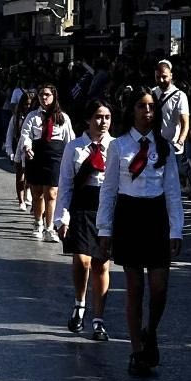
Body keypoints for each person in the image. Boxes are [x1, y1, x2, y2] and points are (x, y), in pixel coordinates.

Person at [97, 87, 183, 376]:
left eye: (151, 108)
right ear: (131, 110)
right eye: (142, 107)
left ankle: (150, 329)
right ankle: (137, 350)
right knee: (134, 288)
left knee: (159, 288)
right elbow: (108, 190)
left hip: (156, 217)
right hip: (129, 216)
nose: (147, 113)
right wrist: (105, 228)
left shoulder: (164, 146)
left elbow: (173, 190)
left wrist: (177, 230)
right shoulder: (119, 146)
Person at [54, 100, 113, 342]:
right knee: (82, 260)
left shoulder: (116, 147)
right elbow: (65, 183)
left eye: (107, 117)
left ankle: (98, 320)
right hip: (81, 206)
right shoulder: (75, 148)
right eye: (99, 117)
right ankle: (80, 304)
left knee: (101, 263)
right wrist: (61, 217)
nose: (103, 122)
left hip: (106, 206)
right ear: (88, 120)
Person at [20, 84, 75, 242]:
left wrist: (71, 159)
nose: (44, 98)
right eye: (41, 95)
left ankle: (50, 227)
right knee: (37, 193)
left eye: (47, 95)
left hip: (55, 156)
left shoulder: (63, 117)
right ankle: (38, 223)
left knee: (51, 193)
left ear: (54, 96)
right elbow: (26, 134)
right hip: (36, 156)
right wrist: (27, 147)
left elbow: (69, 139)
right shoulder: (32, 116)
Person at [4, 91, 35, 211]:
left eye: (30, 104)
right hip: (19, 149)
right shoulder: (15, 118)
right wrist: (10, 151)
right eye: (26, 104)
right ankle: (21, 200)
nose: (27, 107)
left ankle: (31, 198)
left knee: (31, 178)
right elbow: (9, 136)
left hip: (32, 151)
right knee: (20, 176)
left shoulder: (35, 118)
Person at [152, 60, 189, 155]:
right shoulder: (152, 93)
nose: (161, 80)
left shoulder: (180, 96)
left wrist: (180, 142)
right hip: (153, 145)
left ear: (171, 76)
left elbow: (185, 123)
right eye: (158, 77)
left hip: (172, 147)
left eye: (164, 77)